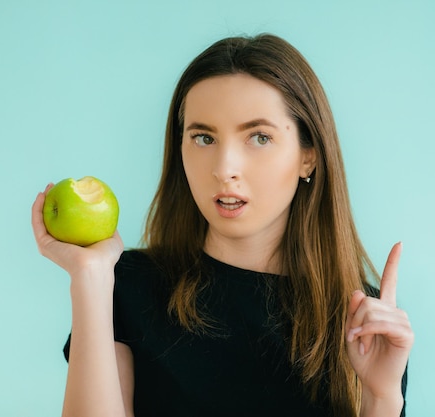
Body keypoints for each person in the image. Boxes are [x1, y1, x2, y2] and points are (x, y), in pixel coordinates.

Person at [32, 33, 413, 417]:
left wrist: (381, 397)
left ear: (308, 157)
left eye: (259, 137)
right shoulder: (129, 288)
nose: (224, 169)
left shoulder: (361, 322)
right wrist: (91, 279)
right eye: (203, 137)